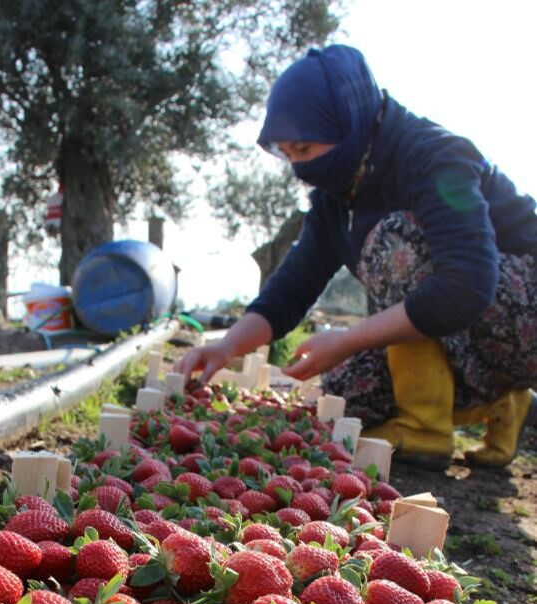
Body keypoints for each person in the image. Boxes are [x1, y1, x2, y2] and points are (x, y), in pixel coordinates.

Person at [177, 45, 537, 468]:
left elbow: (468, 284)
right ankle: (505, 402)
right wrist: (228, 344)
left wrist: (347, 339)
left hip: (521, 317)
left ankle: (427, 433)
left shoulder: (434, 157)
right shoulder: (340, 193)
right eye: (288, 155)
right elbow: (293, 286)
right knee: (348, 396)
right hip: (474, 330)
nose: (299, 169)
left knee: (393, 244)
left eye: (305, 150)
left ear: (348, 121)